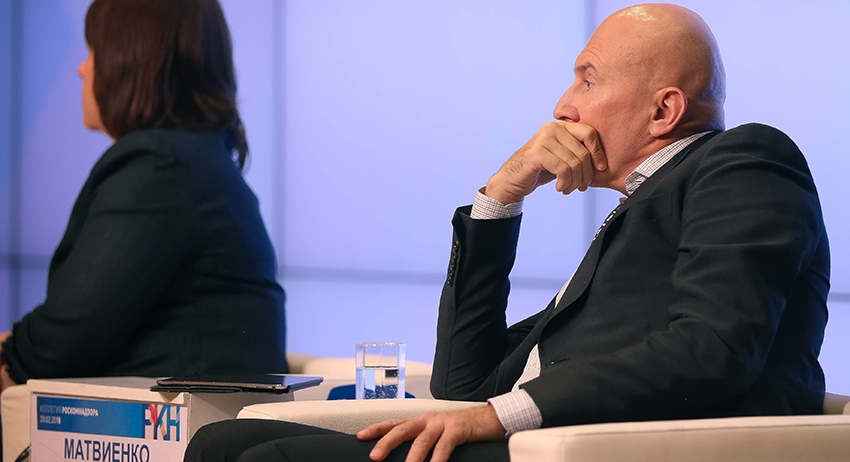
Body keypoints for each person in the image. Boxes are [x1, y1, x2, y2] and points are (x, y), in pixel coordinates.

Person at [184, 4, 829, 462]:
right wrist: (500, 196)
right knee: (221, 441)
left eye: (588, 78)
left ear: (664, 110)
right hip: (541, 439)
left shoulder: (745, 161)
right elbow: (462, 382)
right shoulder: (638, 210)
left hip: (606, 448)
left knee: (265, 459)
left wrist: (501, 415)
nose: (562, 106)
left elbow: (712, 349)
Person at [0, 0, 288, 392]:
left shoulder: (159, 166)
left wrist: (12, 351)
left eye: (93, 51)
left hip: (169, 424)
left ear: (130, 58)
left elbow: (59, 344)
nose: (81, 68)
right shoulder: (196, 159)